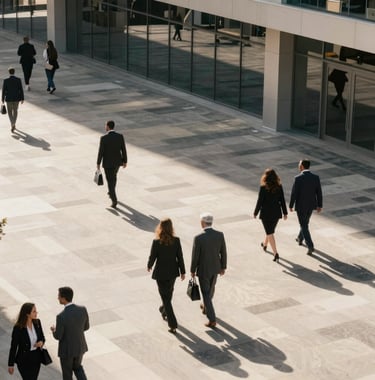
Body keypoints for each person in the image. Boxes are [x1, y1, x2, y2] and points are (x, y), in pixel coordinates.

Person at [147, 218, 186, 334]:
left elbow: (152, 256)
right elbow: (180, 257)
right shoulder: (176, 241)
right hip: (173, 272)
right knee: (168, 294)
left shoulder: (156, 242)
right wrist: (182, 272)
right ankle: (163, 310)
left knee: (166, 297)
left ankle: (172, 324)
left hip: (160, 274)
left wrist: (149, 265)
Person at [190, 212, 227, 328]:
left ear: (202, 223)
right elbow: (223, 252)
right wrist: (223, 267)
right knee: (210, 290)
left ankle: (212, 319)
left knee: (206, 293)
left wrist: (192, 270)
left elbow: (195, 256)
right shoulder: (220, 235)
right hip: (216, 268)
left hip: (203, 269)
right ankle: (206, 307)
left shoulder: (198, 238)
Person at [50, 286, 89, 380]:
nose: (58, 298)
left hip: (66, 351)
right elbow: (86, 327)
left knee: (67, 374)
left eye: (59, 296)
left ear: (64, 298)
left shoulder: (61, 316)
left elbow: (58, 336)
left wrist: (53, 330)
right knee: (78, 368)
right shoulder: (82, 309)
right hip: (80, 347)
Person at [289, 159, 323, 255]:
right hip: (311, 205)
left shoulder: (298, 178)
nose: (298, 166)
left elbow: (294, 194)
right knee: (305, 222)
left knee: (304, 225)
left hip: (301, 206)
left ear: (302, 166)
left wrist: (291, 205)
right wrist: (319, 205)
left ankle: (310, 246)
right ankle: (300, 238)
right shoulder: (315, 177)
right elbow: (319, 193)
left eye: (299, 164)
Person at [253, 168, 288, 263]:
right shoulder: (279, 187)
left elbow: (259, 201)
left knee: (270, 232)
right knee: (270, 231)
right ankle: (265, 244)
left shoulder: (263, 188)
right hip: (276, 213)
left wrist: (255, 212)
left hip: (266, 214)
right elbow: (282, 200)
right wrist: (285, 212)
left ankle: (275, 253)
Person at [8, 302, 46, 380]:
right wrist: (10, 364)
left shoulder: (37, 322)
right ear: (27, 314)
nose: (36, 313)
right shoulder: (18, 328)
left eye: (36, 311)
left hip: (36, 359)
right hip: (23, 361)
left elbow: (42, 337)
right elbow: (14, 346)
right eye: (34, 311)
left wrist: (41, 342)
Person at [96, 120, 127, 208]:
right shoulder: (120, 136)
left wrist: (98, 163)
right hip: (117, 163)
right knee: (114, 177)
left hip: (108, 164)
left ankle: (114, 200)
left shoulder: (104, 138)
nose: (105, 127)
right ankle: (111, 192)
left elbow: (100, 152)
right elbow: (123, 149)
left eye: (105, 125)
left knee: (110, 181)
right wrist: (125, 161)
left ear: (108, 127)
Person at [1, 67, 24, 133]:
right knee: (15, 111)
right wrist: (22, 98)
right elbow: (21, 89)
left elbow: (3, 91)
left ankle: (12, 123)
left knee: (10, 112)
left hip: (8, 99)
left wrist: (2, 99)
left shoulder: (6, 80)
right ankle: (13, 123)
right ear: (14, 72)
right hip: (17, 98)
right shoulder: (18, 80)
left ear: (9, 72)